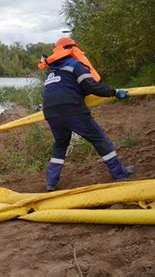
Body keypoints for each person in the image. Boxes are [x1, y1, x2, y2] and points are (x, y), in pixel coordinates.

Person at [38, 37, 134, 191]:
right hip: (71, 109)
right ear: (73, 49)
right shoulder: (75, 65)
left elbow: (64, 88)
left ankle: (51, 182)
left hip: (50, 112)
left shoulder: (52, 71)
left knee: (60, 144)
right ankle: (119, 173)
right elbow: (91, 86)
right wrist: (115, 92)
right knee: (99, 139)